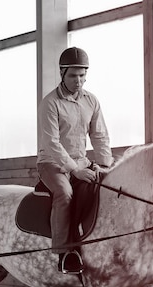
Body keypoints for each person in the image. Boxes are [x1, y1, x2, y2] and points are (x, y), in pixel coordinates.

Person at [35, 47, 114, 274]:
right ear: (62, 74)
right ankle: (64, 253)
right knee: (65, 193)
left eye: (82, 75)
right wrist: (75, 170)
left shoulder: (92, 101)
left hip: (82, 162)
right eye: (72, 76)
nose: (78, 81)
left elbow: (99, 136)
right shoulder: (50, 103)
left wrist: (105, 165)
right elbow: (52, 143)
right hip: (52, 163)